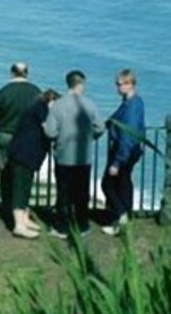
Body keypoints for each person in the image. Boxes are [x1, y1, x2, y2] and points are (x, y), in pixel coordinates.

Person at [43, 70, 104, 238]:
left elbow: (50, 132)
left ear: (67, 84)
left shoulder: (58, 105)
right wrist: (90, 138)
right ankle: (82, 225)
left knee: (63, 194)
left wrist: (58, 136)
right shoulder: (90, 104)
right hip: (84, 157)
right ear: (81, 84)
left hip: (63, 157)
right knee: (82, 193)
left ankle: (61, 228)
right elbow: (100, 127)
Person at [0, 63, 41, 223]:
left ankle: (8, 208)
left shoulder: (3, 92)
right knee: (24, 176)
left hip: (6, 136)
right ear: (27, 74)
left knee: (6, 172)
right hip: (27, 140)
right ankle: (22, 210)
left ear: (11, 73)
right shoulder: (35, 92)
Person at [6, 89, 61, 238]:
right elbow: (48, 130)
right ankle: (19, 225)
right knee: (20, 188)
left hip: (26, 154)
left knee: (25, 186)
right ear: (51, 101)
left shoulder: (37, 108)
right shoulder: (40, 110)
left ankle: (24, 219)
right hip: (23, 154)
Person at [101, 69, 146, 236]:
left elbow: (127, 135)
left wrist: (117, 162)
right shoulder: (131, 102)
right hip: (129, 151)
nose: (117, 88)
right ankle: (124, 218)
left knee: (108, 184)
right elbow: (116, 118)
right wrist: (106, 124)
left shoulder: (132, 105)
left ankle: (121, 216)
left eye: (120, 84)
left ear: (129, 84)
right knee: (124, 183)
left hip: (124, 152)